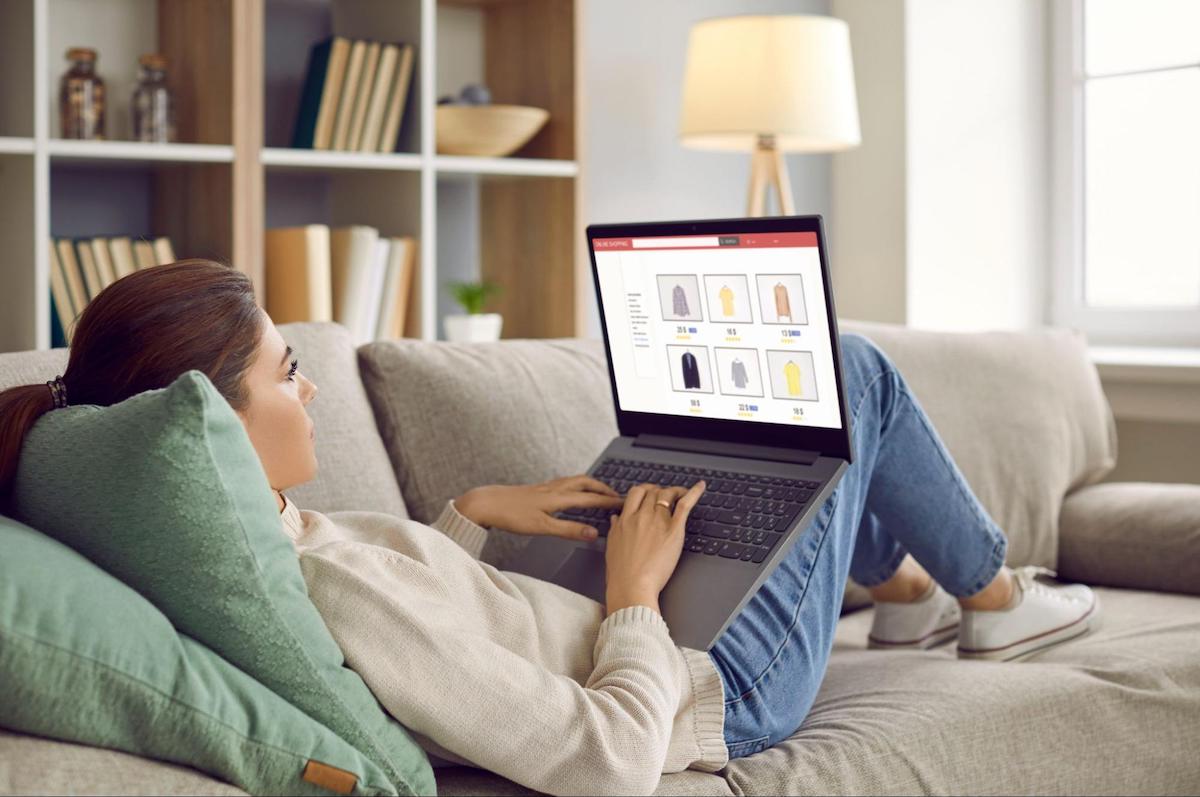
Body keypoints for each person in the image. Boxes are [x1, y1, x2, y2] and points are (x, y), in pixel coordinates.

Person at [0, 260, 1099, 795]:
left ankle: (896, 586)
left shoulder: (264, 537)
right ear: (213, 425)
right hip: (711, 683)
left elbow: (423, 600)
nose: (313, 389)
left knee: (775, 457)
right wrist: (631, 595)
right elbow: (608, 758)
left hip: (621, 620)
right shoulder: (341, 596)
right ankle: (994, 599)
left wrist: (472, 515)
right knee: (850, 377)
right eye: (289, 372)